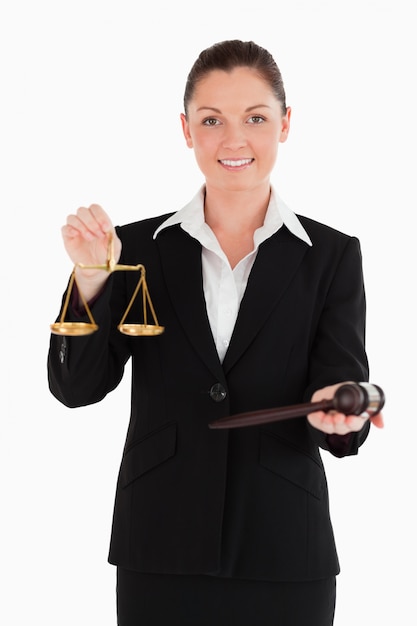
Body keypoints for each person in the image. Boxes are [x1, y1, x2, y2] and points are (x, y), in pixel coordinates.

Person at [48, 39, 384, 626]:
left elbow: (341, 384)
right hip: (160, 544)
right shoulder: (132, 250)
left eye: (256, 117)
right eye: (212, 120)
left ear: (285, 124)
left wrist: (341, 413)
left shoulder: (331, 255)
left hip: (285, 546)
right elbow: (76, 388)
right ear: (185, 129)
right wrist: (89, 277)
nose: (234, 140)